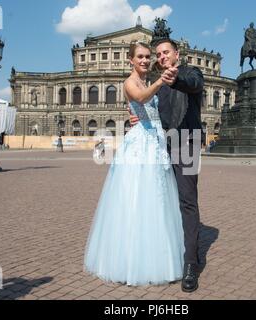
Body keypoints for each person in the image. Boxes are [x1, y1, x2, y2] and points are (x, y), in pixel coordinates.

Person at [84, 42, 184, 286]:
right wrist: (161, 81)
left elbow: (147, 105)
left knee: (157, 200)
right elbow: (139, 98)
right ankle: (131, 261)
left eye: (147, 57)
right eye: (140, 57)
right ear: (130, 60)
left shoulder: (146, 82)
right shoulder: (130, 82)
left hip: (155, 142)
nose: (145, 60)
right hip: (140, 145)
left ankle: (158, 256)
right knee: (136, 198)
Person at [129, 38, 204, 292]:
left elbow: (193, 85)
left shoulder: (191, 73)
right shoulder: (157, 86)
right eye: (158, 54)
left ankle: (191, 264)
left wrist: (175, 79)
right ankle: (172, 252)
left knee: (187, 200)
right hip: (163, 145)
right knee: (165, 199)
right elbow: (155, 114)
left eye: (166, 52)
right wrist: (139, 117)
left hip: (187, 143)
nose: (161, 57)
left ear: (177, 53)